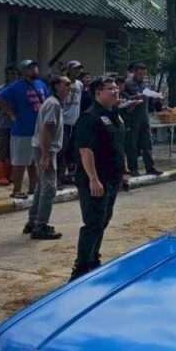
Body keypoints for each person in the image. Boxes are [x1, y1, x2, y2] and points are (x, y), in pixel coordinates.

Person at [71, 76, 130, 280]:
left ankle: (93, 259)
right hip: (96, 179)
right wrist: (93, 179)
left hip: (112, 178)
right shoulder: (90, 117)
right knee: (93, 222)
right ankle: (81, 268)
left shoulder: (115, 115)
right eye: (110, 89)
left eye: (116, 88)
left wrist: (124, 171)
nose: (115, 91)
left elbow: (118, 145)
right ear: (98, 93)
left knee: (103, 220)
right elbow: (85, 151)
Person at [0, 60, 49, 201]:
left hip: (38, 130)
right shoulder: (16, 86)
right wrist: (11, 114)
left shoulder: (41, 84)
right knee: (20, 162)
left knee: (34, 162)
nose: (34, 70)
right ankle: (17, 190)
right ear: (24, 71)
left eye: (35, 67)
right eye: (30, 68)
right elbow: (0, 98)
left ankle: (33, 188)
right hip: (22, 130)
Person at [25, 75, 70, 240]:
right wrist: (45, 155)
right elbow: (46, 129)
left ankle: (33, 221)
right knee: (49, 188)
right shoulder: (53, 104)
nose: (69, 87)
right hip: (46, 149)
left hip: (44, 148)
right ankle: (41, 225)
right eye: (66, 84)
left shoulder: (54, 103)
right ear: (56, 86)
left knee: (42, 186)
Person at [122, 62, 162, 176]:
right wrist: (137, 96)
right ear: (134, 72)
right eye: (139, 74)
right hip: (132, 118)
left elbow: (150, 101)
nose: (141, 76)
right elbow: (125, 97)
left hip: (144, 117)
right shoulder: (128, 84)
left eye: (143, 74)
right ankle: (133, 168)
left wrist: (156, 99)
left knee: (147, 143)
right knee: (132, 145)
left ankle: (150, 167)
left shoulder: (145, 85)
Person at [0, 65, 20, 186]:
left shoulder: (20, 89)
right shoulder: (1, 89)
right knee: (3, 148)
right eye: (10, 73)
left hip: (17, 123)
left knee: (13, 150)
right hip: (4, 123)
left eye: (14, 73)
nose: (12, 75)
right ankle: (1, 175)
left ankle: (11, 174)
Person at [59, 60, 84, 184]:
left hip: (75, 121)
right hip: (64, 121)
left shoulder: (79, 84)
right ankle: (59, 176)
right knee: (62, 149)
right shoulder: (63, 83)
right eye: (75, 69)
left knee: (73, 150)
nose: (77, 71)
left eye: (79, 69)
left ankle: (71, 174)